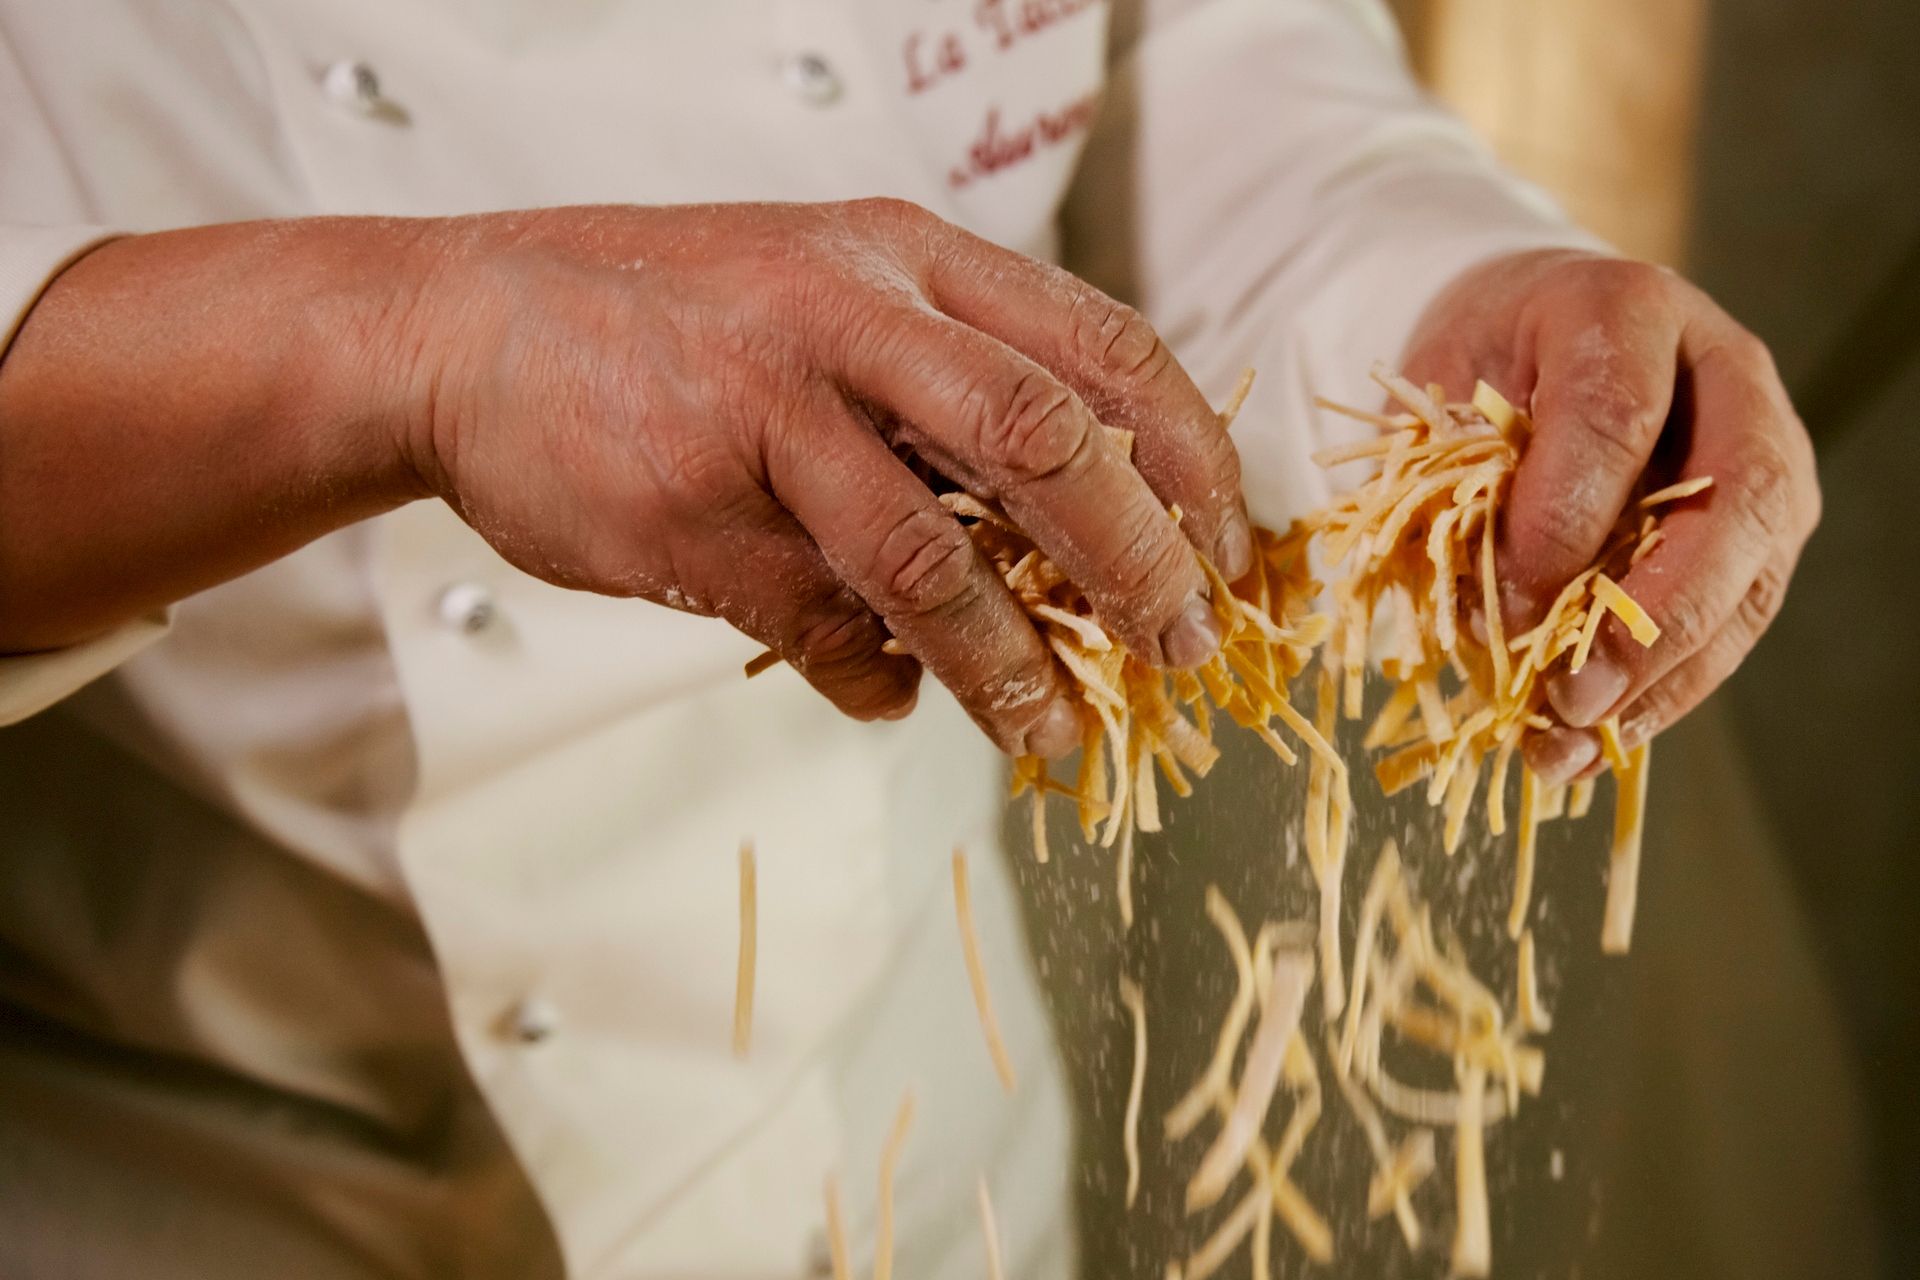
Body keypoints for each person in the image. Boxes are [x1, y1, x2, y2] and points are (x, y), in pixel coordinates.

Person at [0, 1, 1820, 1277]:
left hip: (887, 1133)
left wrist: (1443, 290)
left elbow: (1186, 44)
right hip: (186, 1163)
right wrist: (416, 339)